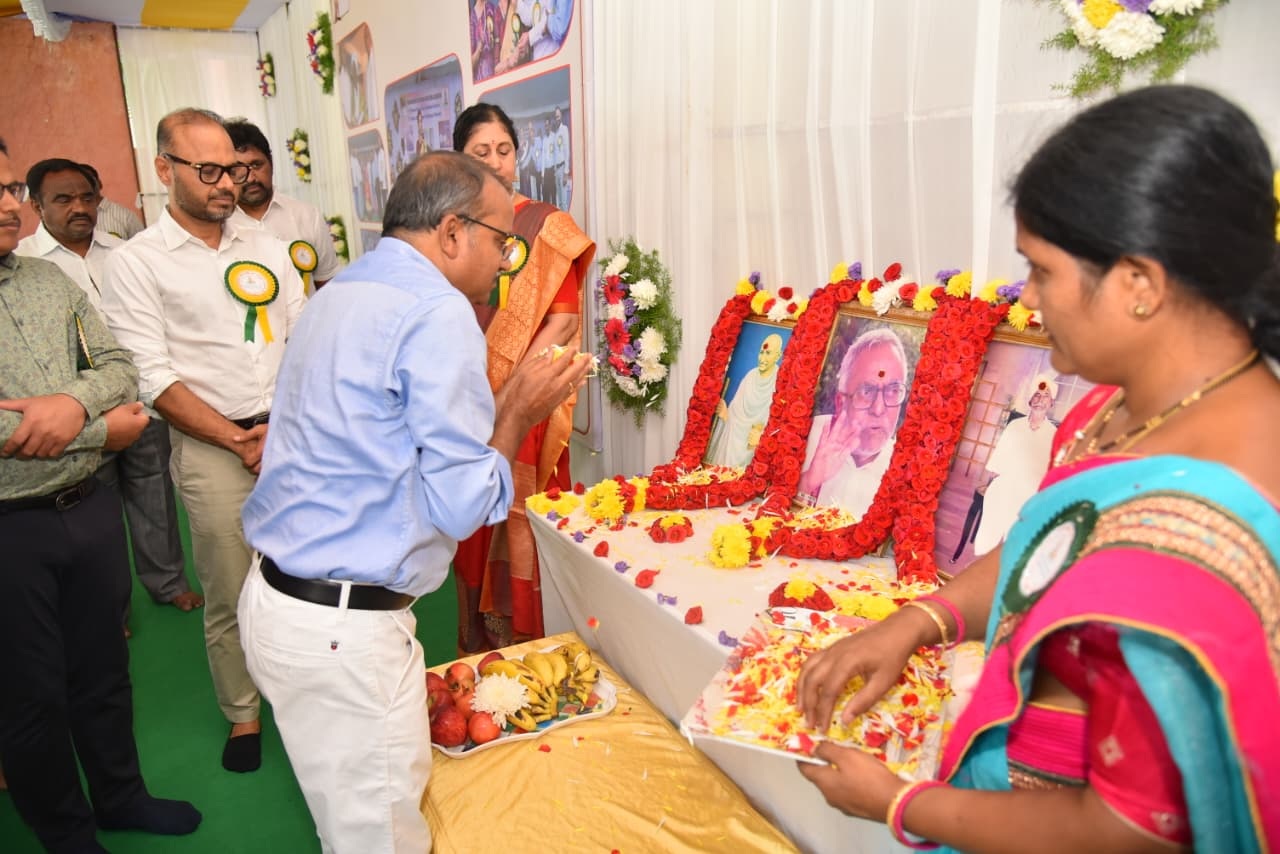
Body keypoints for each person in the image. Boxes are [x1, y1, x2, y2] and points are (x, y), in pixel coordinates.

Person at [795, 85, 1280, 852]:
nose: (1026, 297)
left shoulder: (1197, 527)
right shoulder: (1118, 408)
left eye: (1042, 270)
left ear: (1139, 285)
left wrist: (899, 805)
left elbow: (1133, 830)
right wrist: (918, 621)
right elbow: (1048, 545)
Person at [238, 150, 592, 854]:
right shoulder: (437, 310)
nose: (506, 263)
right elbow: (461, 506)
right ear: (453, 232)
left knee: (349, 822)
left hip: (281, 599)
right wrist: (517, 412)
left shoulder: (340, 289)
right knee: (380, 838)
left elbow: (390, 443)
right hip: (342, 632)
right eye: (503, 241)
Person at [0, 136, 201, 854]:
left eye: (10, 190)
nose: (10, 206)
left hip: (86, 510)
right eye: (0, 192)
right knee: (30, 699)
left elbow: (118, 365)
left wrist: (68, 407)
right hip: (10, 532)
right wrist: (96, 429)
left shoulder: (45, 281)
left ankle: (120, 798)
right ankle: (68, 835)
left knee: (104, 673)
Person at [100, 108, 306, 774]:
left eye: (235, 171)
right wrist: (240, 441)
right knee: (231, 588)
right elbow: (153, 377)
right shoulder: (137, 263)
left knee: (309, 574)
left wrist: (282, 429)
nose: (227, 185)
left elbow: (304, 340)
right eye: (210, 170)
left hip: (291, 436)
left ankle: (307, 697)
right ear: (165, 169)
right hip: (213, 447)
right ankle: (243, 712)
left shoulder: (267, 245)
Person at [18, 158, 200, 621]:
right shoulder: (25, 266)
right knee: (94, 517)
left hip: (140, 402)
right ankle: (110, 610)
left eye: (87, 197)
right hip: (76, 416)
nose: (79, 207)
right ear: (37, 205)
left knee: (155, 497)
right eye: (63, 199)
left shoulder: (125, 253)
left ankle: (168, 582)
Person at [451, 102, 596, 651]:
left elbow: (564, 321)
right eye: (480, 152)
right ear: (459, 159)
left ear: (518, 155)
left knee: (528, 519)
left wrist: (513, 391)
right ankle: (477, 643)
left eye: (504, 150)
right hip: (466, 401)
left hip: (531, 404)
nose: (495, 162)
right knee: (471, 523)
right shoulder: (452, 231)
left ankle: (535, 643)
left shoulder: (547, 227)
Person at [797, 327, 907, 516]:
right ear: (840, 402)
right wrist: (808, 482)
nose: (878, 409)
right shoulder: (806, 434)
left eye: (893, 391)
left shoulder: (909, 469)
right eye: (866, 391)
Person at [224, 118, 343, 293]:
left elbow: (327, 285)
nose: (250, 178)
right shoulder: (220, 225)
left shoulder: (307, 216)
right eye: (237, 170)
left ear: (271, 162)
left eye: (256, 165)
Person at [969, 373, 1058, 556]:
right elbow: (998, 460)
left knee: (1017, 530)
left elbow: (1051, 471)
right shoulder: (1015, 426)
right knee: (994, 514)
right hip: (1007, 483)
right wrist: (992, 483)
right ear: (1030, 400)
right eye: (1037, 395)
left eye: (1046, 396)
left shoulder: (1054, 434)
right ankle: (984, 556)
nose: (1040, 400)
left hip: (1031, 490)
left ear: (1051, 403)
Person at [705, 333, 783, 468]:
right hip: (735, 436)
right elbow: (734, 414)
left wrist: (761, 437)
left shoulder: (780, 381)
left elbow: (777, 423)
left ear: (778, 356)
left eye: (768, 353)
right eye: (761, 352)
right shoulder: (750, 376)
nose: (762, 358)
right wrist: (725, 414)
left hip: (756, 443)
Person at [81, 164, 145, 240]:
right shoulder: (72, 218)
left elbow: (143, 244)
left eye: (90, 179)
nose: (85, 185)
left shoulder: (125, 217)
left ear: (100, 183)